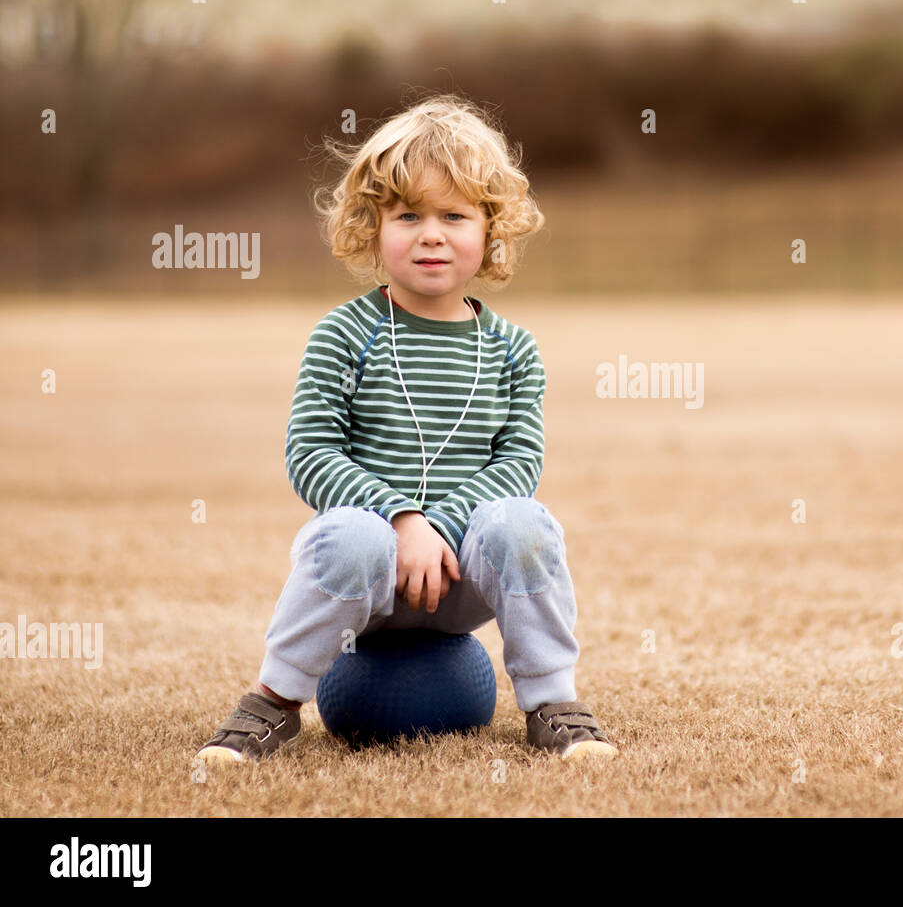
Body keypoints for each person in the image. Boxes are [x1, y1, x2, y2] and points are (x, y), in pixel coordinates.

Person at [195, 95, 618, 764]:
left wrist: (440, 529)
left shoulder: (512, 350)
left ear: (491, 229)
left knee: (523, 522)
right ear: (372, 228)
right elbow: (310, 453)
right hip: (372, 569)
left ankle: (553, 703)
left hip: (462, 577)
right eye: (408, 215)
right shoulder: (344, 334)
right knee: (348, 533)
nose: (431, 234)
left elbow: (518, 464)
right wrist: (400, 521)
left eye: (454, 215)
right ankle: (271, 706)